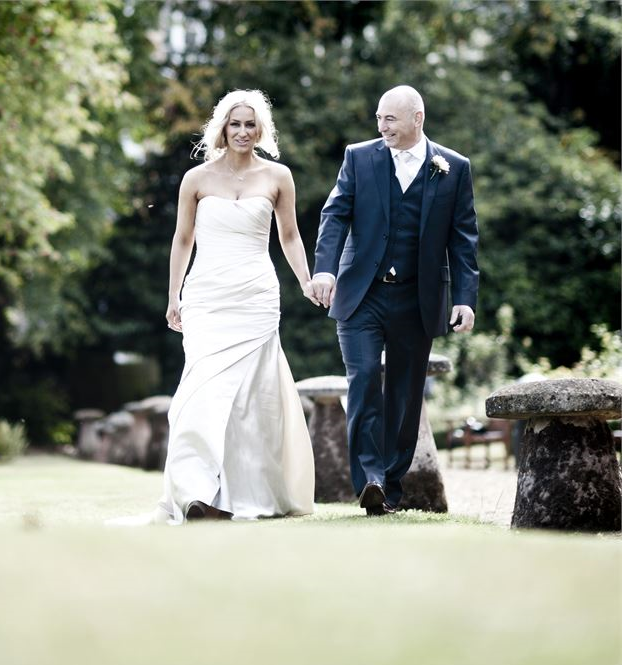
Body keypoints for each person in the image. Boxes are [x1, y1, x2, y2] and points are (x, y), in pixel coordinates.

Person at [309, 85, 479, 516]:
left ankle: (390, 485)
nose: (382, 127)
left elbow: (463, 238)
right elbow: (335, 214)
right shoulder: (358, 157)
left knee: (405, 394)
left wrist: (465, 298)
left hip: (417, 297)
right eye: (379, 118)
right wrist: (325, 268)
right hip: (361, 294)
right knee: (364, 379)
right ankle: (370, 479)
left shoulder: (454, 167)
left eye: (390, 119)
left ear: (417, 119)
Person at [157, 89, 316, 523]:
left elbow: (289, 236)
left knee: (251, 399)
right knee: (200, 391)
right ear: (222, 129)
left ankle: (246, 493)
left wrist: (305, 280)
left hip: (256, 297)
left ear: (260, 129)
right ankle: (194, 492)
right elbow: (182, 239)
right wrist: (173, 296)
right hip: (206, 297)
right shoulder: (196, 179)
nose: (242, 132)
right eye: (235, 124)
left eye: (250, 124)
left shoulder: (278, 176)